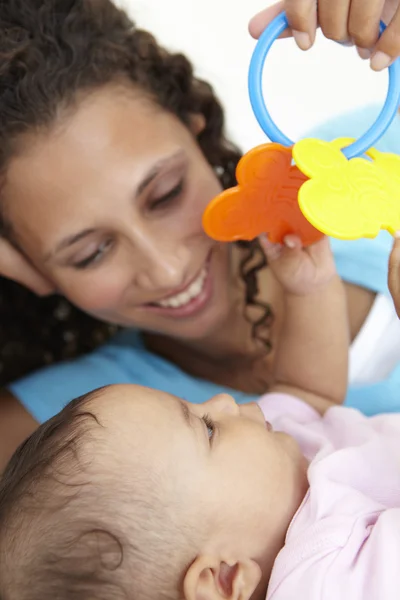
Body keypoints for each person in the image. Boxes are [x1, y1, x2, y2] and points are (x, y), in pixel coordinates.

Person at [1, 0, 400, 473]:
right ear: (21, 263)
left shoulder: (381, 148)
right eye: (91, 253)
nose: (167, 268)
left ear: (195, 127)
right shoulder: (52, 438)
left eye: (166, 194)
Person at [1, 234, 400, 600]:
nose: (223, 401)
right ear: (223, 579)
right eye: (208, 429)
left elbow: (307, 392)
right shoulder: (334, 582)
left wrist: (309, 288)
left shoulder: (276, 466)